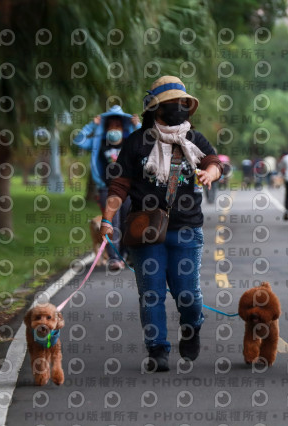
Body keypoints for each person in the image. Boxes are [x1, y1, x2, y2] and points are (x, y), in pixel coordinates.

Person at [99, 76, 223, 372]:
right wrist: (106, 220)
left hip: (186, 229)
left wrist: (210, 174)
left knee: (188, 295)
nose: (178, 108)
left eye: (182, 103)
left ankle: (191, 327)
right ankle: (157, 349)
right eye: (171, 104)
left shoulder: (193, 138)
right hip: (147, 231)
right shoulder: (136, 143)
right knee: (151, 294)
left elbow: (214, 162)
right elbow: (118, 187)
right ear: (156, 108)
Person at [74, 105, 141, 270]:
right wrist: (92, 125)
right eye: (110, 126)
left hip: (128, 188)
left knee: (128, 222)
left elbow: (145, 142)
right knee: (112, 222)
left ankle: (126, 255)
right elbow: (79, 140)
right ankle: (114, 258)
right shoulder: (99, 143)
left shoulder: (130, 141)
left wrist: (137, 125)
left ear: (122, 127)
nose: (114, 129)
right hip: (107, 188)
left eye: (117, 126)